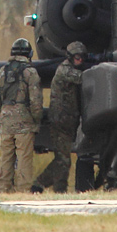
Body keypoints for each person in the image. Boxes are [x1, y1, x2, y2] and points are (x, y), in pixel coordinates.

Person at [0, 38, 42, 193]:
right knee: (24, 158)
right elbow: (35, 101)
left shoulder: (2, 71)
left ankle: (4, 189)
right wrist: (36, 119)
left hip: (6, 121)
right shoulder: (30, 73)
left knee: (5, 158)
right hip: (25, 122)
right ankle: (23, 191)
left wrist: (0, 113)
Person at [31, 41, 87, 194]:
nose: (80, 60)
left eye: (82, 57)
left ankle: (39, 184)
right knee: (63, 160)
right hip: (60, 121)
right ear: (70, 57)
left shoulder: (70, 68)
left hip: (67, 121)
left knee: (62, 159)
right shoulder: (65, 70)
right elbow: (82, 78)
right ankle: (58, 190)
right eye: (77, 57)